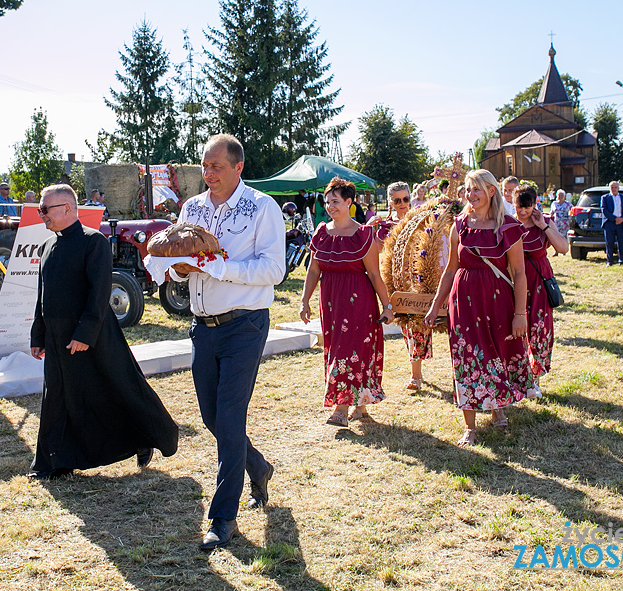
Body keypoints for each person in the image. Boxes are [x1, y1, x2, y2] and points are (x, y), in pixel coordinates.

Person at [167, 134, 284, 551]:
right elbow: (178, 261)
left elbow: (273, 269)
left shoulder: (262, 208)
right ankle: (258, 466)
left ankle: (222, 517)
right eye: (204, 165)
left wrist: (220, 268)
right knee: (213, 418)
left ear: (238, 167)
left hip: (244, 325)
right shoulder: (192, 208)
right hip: (202, 326)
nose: (208, 173)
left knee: (230, 418)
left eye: (216, 166)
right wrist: (178, 270)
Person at [28, 184, 178, 480]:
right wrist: (38, 334)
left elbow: (100, 292)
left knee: (118, 389)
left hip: (93, 336)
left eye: (46, 209)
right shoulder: (47, 246)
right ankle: (54, 462)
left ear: (67, 209)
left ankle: (152, 436)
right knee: (57, 395)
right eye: (40, 210)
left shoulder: (92, 241)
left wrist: (85, 334)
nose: (42, 215)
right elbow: (42, 294)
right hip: (58, 338)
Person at [424, 169, 538, 447]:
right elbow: (451, 270)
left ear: (491, 191)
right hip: (463, 301)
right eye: (467, 189)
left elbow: (519, 273)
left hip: (498, 300)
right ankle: (470, 427)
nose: (470, 195)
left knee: (495, 352)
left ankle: (497, 406)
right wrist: (435, 305)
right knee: (466, 358)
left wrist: (520, 313)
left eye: (476, 189)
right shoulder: (459, 225)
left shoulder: (508, 227)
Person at [301, 177, 395, 427]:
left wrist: (387, 307)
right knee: (339, 350)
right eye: (327, 201)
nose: (330, 206)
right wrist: (304, 301)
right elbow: (313, 270)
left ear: (349, 202)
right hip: (330, 302)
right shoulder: (321, 232)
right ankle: (360, 404)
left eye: (335, 201)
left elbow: (375, 274)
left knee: (350, 352)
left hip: (358, 302)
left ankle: (341, 409)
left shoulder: (363, 235)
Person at [371, 182, 433, 391]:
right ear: (390, 202)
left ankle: (417, 373)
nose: (402, 204)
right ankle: (416, 373)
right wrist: (370, 229)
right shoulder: (384, 226)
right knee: (406, 326)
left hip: (419, 279)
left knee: (420, 325)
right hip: (395, 281)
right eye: (397, 200)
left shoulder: (421, 220)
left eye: (405, 199)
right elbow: (377, 250)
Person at [513, 186, 568, 380]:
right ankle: (518, 374)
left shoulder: (545, 221)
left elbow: (563, 248)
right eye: (519, 206)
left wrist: (543, 226)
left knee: (539, 328)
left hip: (538, 281)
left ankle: (535, 376)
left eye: (527, 207)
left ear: (534, 203)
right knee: (515, 328)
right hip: (513, 281)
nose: (522, 212)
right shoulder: (508, 224)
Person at [600, 181, 623, 266]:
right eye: (612, 187)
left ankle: (622, 261)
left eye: (615, 187)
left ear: (618, 188)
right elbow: (604, 210)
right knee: (609, 243)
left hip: (621, 222)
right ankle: (609, 261)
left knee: (621, 242)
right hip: (609, 223)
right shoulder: (605, 198)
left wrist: (622, 218)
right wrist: (614, 219)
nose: (614, 189)